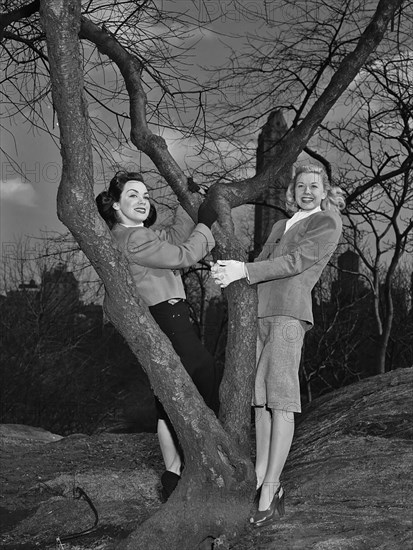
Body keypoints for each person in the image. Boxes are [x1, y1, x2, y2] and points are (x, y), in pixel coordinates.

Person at [211, 164, 345, 527]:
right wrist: (228, 270)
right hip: (259, 314)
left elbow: (294, 262)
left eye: (314, 186)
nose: (306, 191)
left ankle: (271, 488)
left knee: (281, 401)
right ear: (292, 190)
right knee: (261, 402)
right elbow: (260, 262)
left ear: (324, 191)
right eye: (300, 185)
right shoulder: (277, 225)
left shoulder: (327, 221)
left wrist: (245, 272)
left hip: (288, 315)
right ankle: (258, 478)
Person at [96, 170, 220, 500]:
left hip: (168, 318)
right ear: (116, 206)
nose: (141, 200)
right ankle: (200, 464)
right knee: (203, 377)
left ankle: (173, 474)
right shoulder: (134, 239)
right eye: (132, 195)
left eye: (145, 195)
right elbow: (184, 255)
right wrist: (206, 223)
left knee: (167, 395)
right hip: (170, 319)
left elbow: (178, 236)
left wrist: (186, 202)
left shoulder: (139, 235)